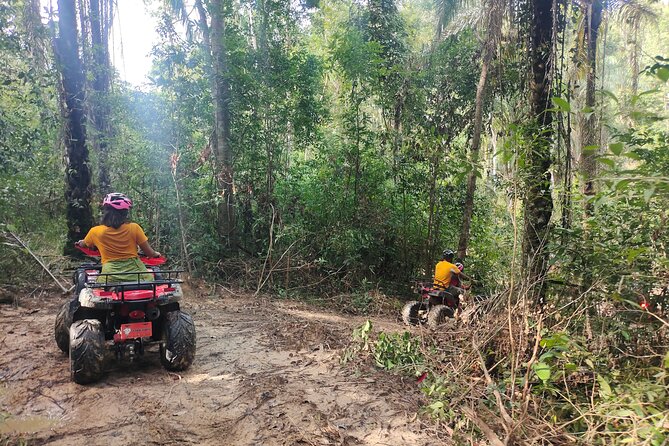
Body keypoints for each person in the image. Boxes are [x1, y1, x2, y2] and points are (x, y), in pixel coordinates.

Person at [76, 193, 161, 283]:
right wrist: (156, 254)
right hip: (138, 275)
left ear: (106, 211)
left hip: (110, 276)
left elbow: (83, 244)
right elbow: (149, 253)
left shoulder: (95, 232)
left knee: (95, 288)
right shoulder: (134, 228)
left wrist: (80, 243)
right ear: (125, 213)